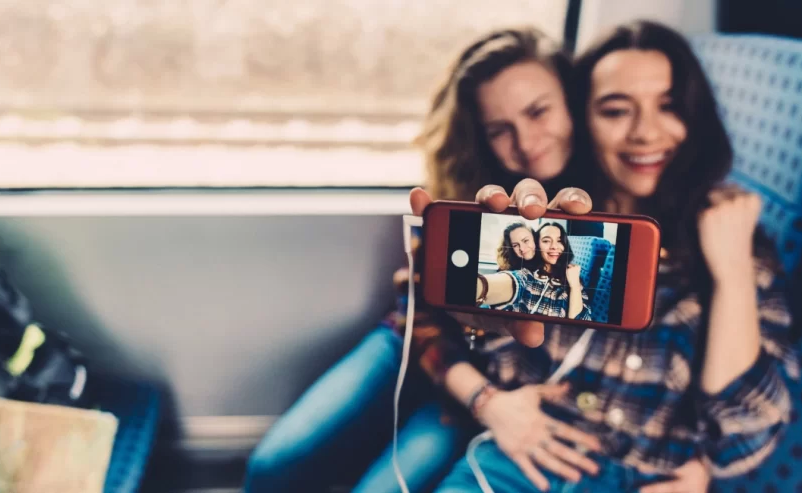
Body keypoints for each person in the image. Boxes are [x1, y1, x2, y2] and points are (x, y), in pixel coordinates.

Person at [428, 20, 800, 493]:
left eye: (669, 107)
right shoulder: (547, 215)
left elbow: (742, 445)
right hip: (527, 456)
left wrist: (731, 275)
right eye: (616, 110)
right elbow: (433, 309)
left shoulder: (735, 236)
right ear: (582, 119)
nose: (646, 133)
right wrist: (489, 400)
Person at [243, 27, 592, 493]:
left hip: (487, 374)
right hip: (418, 342)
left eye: (538, 112)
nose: (526, 142)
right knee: (272, 465)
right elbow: (418, 308)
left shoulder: (598, 208)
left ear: (572, 101)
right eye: (499, 130)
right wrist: (483, 398)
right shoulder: (473, 192)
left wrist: (486, 398)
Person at [480, 222, 591, 320]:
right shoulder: (527, 275)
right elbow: (514, 281)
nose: (554, 246)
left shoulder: (574, 278)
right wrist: (480, 287)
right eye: (546, 241)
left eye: (559, 241)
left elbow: (581, 321)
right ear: (537, 244)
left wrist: (574, 285)